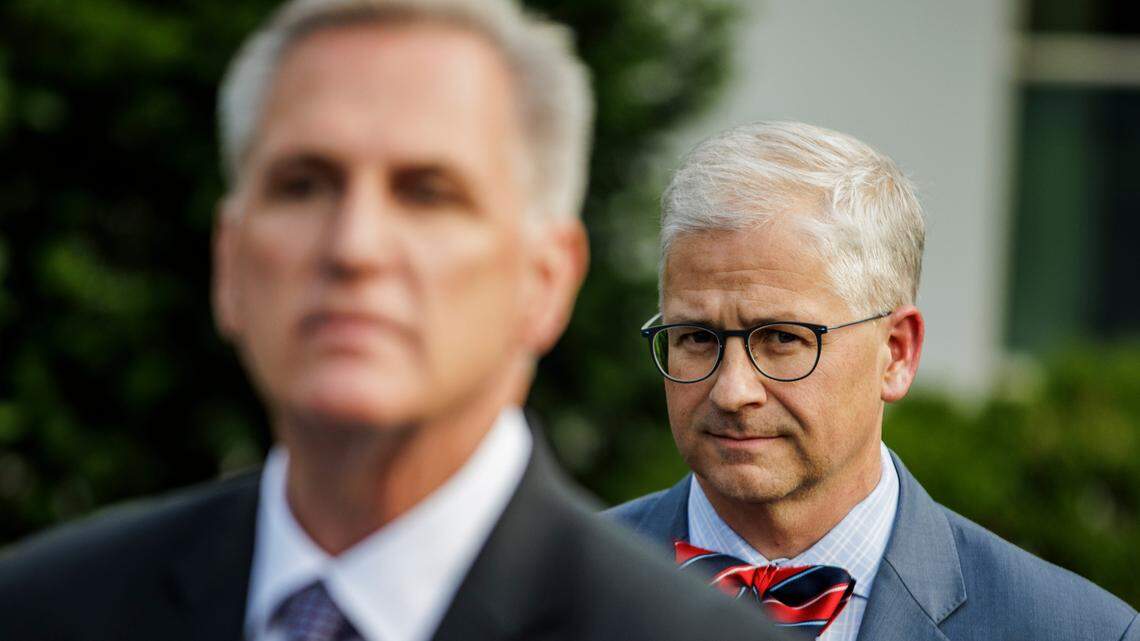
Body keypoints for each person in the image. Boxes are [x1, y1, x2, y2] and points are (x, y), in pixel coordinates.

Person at [0, 2, 793, 640]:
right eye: (303, 184)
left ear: (545, 281)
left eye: (426, 192)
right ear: (231, 262)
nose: (353, 247)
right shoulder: (41, 607)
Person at [606, 121, 1140, 640]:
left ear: (896, 352)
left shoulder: (1073, 629)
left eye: (783, 339)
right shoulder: (538, 586)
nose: (733, 391)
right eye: (697, 337)